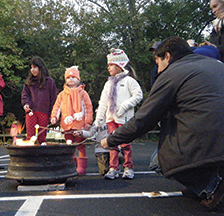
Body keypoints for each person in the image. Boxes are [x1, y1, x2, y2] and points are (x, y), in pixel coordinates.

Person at [101, 36, 224, 210]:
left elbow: (145, 118)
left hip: (208, 140)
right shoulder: (216, 65)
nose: (157, 70)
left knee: (158, 161)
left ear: (167, 56)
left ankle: (210, 186)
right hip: (217, 138)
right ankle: (206, 181)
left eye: (157, 62)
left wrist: (111, 140)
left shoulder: (173, 73)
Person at [95, 48, 143, 180]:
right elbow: (103, 102)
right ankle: (113, 168)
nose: (108, 68)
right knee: (112, 144)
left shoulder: (129, 81)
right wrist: (98, 119)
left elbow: (138, 96)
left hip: (125, 119)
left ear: (119, 65)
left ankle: (128, 167)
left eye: (111, 65)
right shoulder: (108, 83)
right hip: (111, 119)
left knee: (125, 144)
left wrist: (123, 107)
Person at [51, 66, 93, 175]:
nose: (71, 79)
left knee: (80, 145)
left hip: (79, 124)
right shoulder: (62, 94)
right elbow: (57, 107)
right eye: (68, 77)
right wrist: (54, 117)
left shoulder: (83, 93)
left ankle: (82, 166)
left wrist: (88, 121)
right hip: (67, 124)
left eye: (73, 77)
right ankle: (71, 164)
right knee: (69, 145)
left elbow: (88, 108)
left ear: (78, 79)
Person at [21, 57, 57, 144]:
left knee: (42, 137)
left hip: (44, 113)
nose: (32, 70)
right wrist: (26, 103)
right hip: (31, 112)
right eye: (31, 67)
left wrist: (53, 114)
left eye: (35, 67)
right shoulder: (29, 82)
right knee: (30, 136)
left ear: (40, 68)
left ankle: (41, 155)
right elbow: (25, 95)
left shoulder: (49, 82)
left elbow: (53, 99)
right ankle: (29, 156)